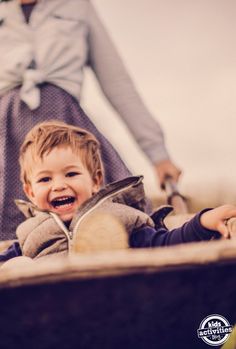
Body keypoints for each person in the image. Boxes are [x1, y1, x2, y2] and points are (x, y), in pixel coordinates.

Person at [0, 0, 181, 240]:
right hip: (6, 132)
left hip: (66, 122)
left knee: (114, 221)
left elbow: (117, 83)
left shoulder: (76, 6)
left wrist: (159, 154)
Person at [1, 120, 235, 264]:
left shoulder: (120, 219)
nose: (59, 185)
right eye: (45, 179)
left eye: (71, 174)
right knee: (16, 266)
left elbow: (165, 245)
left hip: (113, 304)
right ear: (30, 192)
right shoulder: (28, 235)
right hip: (46, 314)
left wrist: (202, 222)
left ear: (95, 181)